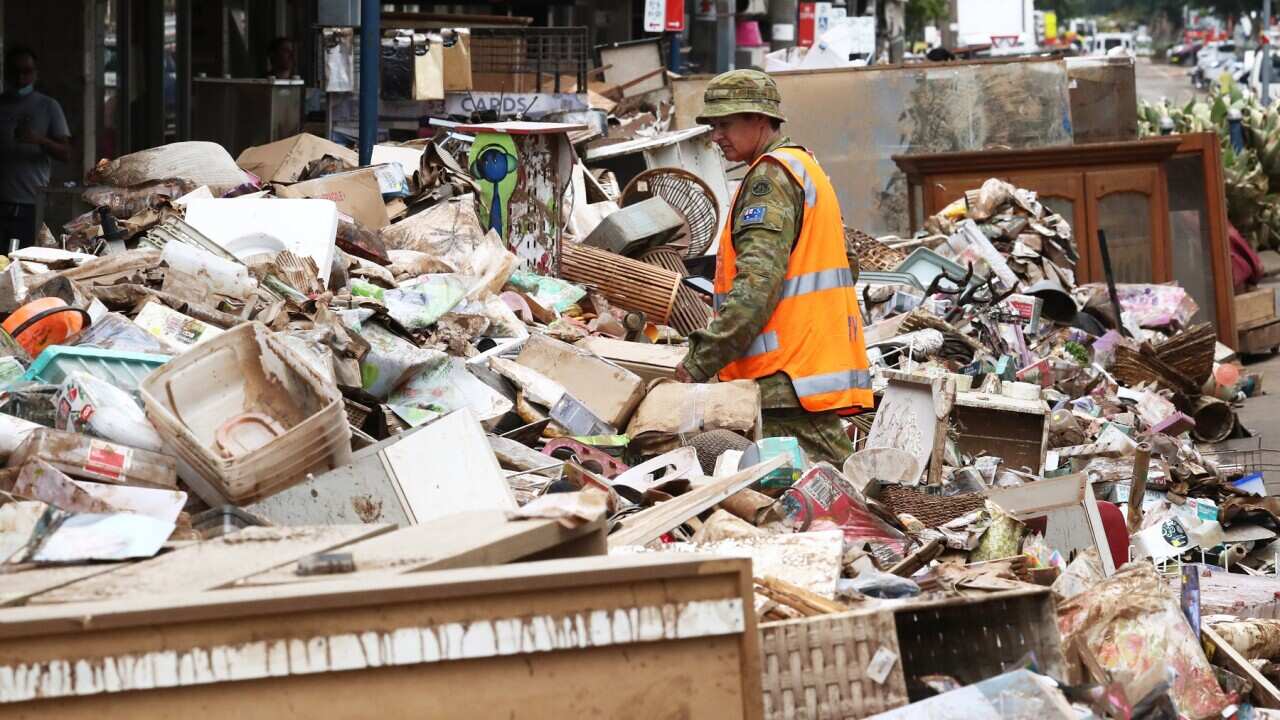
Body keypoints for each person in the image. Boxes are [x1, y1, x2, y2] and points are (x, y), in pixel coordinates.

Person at [674, 69, 873, 466]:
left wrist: (697, 363)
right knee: (832, 489)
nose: (716, 136)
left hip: (785, 378)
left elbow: (755, 290)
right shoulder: (805, 167)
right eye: (713, 125)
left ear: (760, 119)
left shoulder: (770, 179)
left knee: (823, 499)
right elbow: (847, 265)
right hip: (807, 369)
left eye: (725, 123)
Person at [0, 46, 71, 249]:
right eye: (15, 72)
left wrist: (40, 140)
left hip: (31, 203)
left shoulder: (48, 106)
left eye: (27, 72)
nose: (21, 78)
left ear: (35, 73)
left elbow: (66, 153)